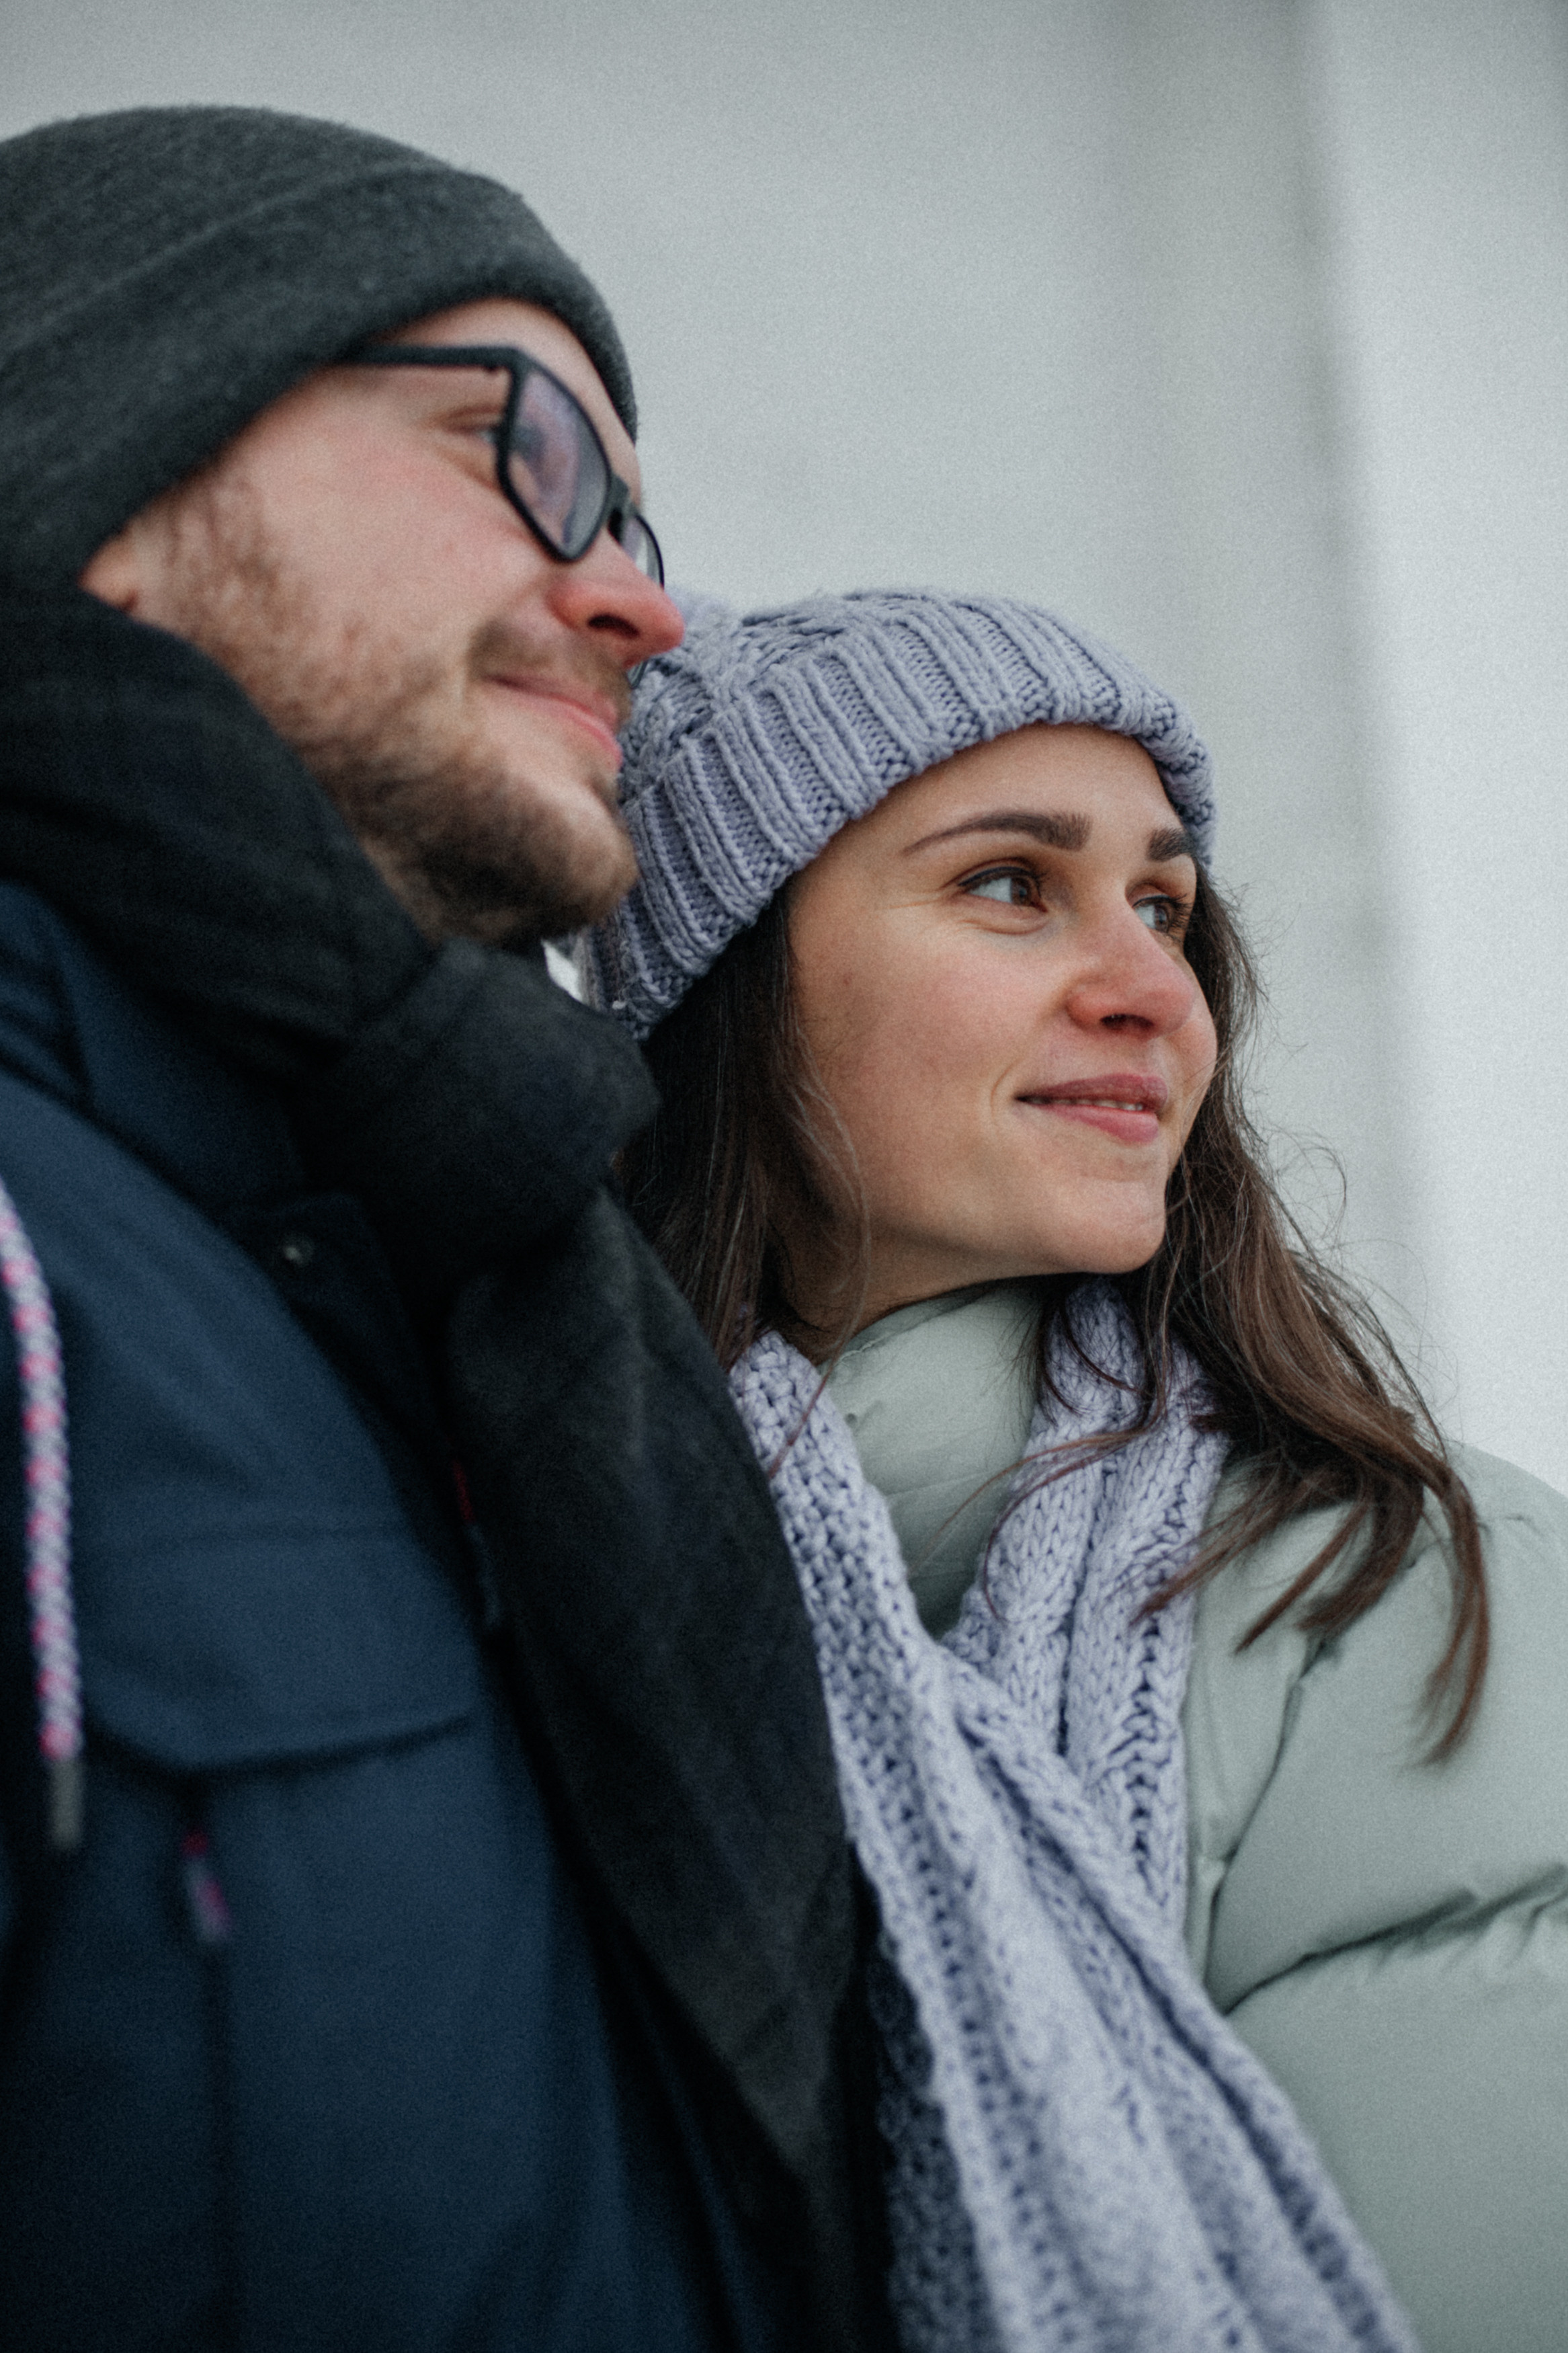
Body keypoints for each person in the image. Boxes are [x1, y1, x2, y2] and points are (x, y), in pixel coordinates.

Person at [0, 110, 892, 2353]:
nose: (640, 600)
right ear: (104, 460)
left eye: (636, 517)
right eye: (529, 454)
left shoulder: (491, 1294)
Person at [588, 589, 1568, 2353]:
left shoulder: (1403, 1584)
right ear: (733, 984)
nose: (1150, 990)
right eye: (1008, 884)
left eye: (1164, 907)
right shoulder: (533, 1567)